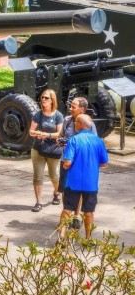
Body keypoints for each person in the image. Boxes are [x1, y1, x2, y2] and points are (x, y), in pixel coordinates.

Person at [59, 114, 108, 239]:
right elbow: (104, 163)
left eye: (76, 122)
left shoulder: (74, 140)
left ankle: (62, 236)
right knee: (89, 211)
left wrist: (65, 166)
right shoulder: (98, 141)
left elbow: (68, 162)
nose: (74, 124)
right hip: (90, 182)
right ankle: (88, 238)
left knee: (67, 209)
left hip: (73, 182)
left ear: (80, 124)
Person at [59, 96, 98, 227]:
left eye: (73, 107)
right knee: (65, 189)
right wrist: (61, 142)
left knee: (79, 190)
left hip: (81, 164)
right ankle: (67, 217)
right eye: (70, 106)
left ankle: (75, 217)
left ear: (82, 109)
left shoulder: (90, 124)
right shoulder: (67, 120)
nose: (70, 109)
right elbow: (61, 136)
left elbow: (94, 142)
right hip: (66, 160)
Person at [28, 89, 64, 212]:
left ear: (52, 100)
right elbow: (31, 131)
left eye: (46, 98)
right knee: (38, 176)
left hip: (54, 149)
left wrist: (46, 135)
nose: (43, 99)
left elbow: (60, 133)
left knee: (54, 176)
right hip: (38, 149)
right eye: (42, 97)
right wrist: (36, 134)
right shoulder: (38, 114)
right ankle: (38, 202)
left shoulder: (58, 115)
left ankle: (56, 192)